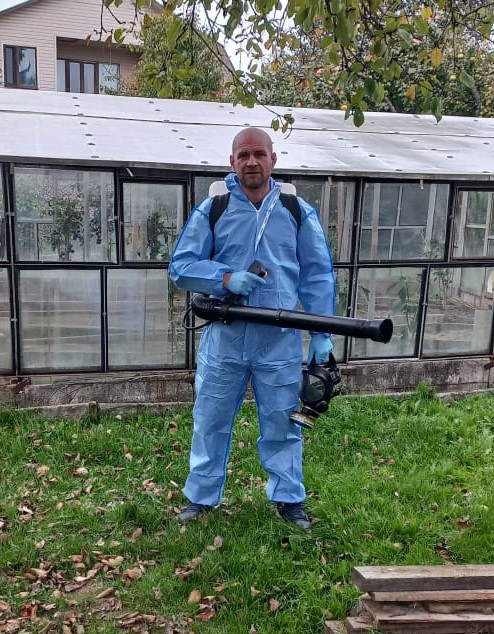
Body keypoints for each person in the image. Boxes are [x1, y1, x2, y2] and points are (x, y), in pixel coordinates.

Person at [169, 127, 335, 529]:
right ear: (232, 162)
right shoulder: (214, 208)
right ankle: (200, 497)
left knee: (283, 423)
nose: (252, 162)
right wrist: (225, 279)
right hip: (225, 339)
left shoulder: (296, 210)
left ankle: (289, 498)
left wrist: (322, 334)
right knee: (210, 421)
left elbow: (317, 274)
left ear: (273, 159)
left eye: (259, 154)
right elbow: (181, 267)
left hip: (279, 341)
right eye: (243, 155)